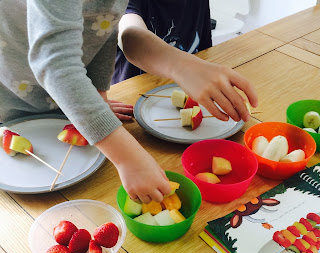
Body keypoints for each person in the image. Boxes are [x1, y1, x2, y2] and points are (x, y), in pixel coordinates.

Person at [0, 0, 257, 204]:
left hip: (70, 96)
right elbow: (55, 65)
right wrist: (127, 158)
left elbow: (104, 28)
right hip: (14, 99)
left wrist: (97, 99)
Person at [113, 0, 258, 123]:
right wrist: (181, 67)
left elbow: (203, 51)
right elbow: (129, 37)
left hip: (182, 99)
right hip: (132, 100)